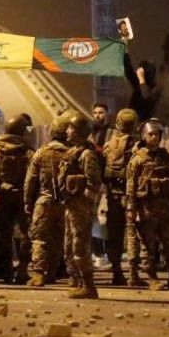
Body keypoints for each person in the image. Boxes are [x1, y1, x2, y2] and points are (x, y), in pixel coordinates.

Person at [126, 119, 169, 291]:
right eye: (151, 134)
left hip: (168, 210)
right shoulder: (137, 159)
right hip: (147, 209)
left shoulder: (167, 158)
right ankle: (152, 277)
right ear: (144, 136)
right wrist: (131, 208)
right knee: (149, 245)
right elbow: (131, 186)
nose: (154, 137)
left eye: (157, 134)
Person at [58, 113, 102, 299]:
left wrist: (84, 203)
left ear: (80, 131)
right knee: (69, 245)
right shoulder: (73, 152)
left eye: (71, 128)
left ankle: (89, 286)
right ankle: (79, 282)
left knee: (80, 246)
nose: (67, 131)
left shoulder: (86, 155)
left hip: (80, 208)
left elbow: (93, 183)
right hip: (71, 206)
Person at [24, 114, 69, 287]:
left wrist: (27, 201)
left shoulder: (42, 152)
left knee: (39, 238)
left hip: (44, 201)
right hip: (65, 203)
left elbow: (30, 179)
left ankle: (38, 273)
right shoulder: (72, 152)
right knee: (58, 238)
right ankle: (51, 272)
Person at [0, 115, 33, 284]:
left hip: (4, 194)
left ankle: (5, 270)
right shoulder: (27, 150)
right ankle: (22, 270)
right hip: (22, 195)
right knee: (27, 233)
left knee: (3, 234)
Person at [101, 108, 139, 285]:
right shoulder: (136, 145)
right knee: (133, 234)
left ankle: (117, 272)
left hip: (112, 195)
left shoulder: (108, 145)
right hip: (132, 196)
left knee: (114, 234)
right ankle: (133, 274)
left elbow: (102, 171)